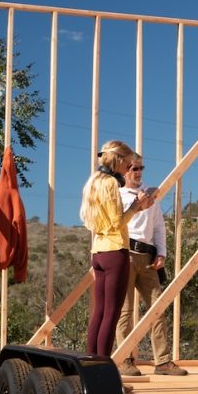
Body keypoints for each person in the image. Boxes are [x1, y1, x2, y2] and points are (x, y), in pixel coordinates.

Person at [79, 140, 155, 360]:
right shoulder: (111, 184)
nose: (129, 168)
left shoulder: (93, 181)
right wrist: (136, 207)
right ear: (120, 160)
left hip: (98, 252)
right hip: (115, 252)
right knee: (112, 314)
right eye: (128, 163)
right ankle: (102, 369)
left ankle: (89, 364)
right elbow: (116, 223)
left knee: (99, 313)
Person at [114, 153, 188, 375]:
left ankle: (163, 362)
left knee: (158, 307)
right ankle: (124, 360)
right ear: (124, 171)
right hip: (125, 254)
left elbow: (158, 227)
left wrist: (162, 254)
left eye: (140, 168)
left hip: (147, 257)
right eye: (133, 168)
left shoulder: (150, 195)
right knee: (125, 311)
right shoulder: (117, 195)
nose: (137, 172)